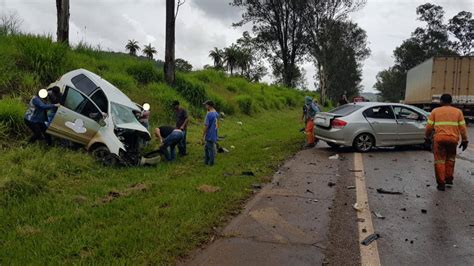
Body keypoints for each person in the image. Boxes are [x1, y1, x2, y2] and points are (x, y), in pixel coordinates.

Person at [425, 94, 469, 191]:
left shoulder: (435, 111)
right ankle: (449, 179)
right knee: (450, 159)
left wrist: (427, 137)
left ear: (441, 101)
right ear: (451, 101)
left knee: (439, 161)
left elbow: (429, 127)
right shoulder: (458, 112)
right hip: (453, 140)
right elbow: (462, 128)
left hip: (439, 140)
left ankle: (441, 183)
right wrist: (465, 140)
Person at [202, 100, 219, 166]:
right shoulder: (216, 113)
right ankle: (206, 161)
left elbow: (206, 126)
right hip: (214, 133)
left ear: (209, 105)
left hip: (209, 134)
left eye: (206, 105)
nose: (205, 106)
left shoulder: (209, 114)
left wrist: (203, 135)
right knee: (206, 148)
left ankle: (211, 163)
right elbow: (217, 125)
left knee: (210, 149)